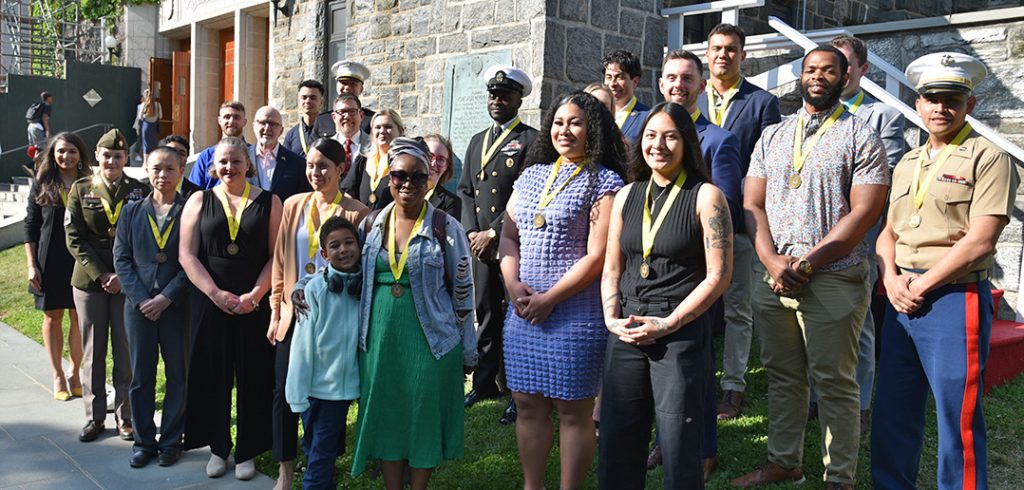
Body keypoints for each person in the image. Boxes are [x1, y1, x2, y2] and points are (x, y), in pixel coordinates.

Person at [732, 46, 890, 489]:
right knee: (784, 376)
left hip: (834, 276)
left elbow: (864, 214)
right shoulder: (774, 136)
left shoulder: (861, 136)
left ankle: (839, 476)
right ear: (801, 77)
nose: (818, 77)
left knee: (834, 380)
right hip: (773, 276)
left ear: (845, 78)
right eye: (810, 70)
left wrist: (805, 262)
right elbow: (752, 202)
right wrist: (769, 258)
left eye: (829, 71)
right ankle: (784, 460)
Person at [872, 52, 1016, 490]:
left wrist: (922, 284)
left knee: (959, 417)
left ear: (969, 104)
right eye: (932, 98)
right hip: (901, 297)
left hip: (954, 299)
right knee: (894, 409)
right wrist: (892, 279)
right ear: (917, 104)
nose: (941, 108)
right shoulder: (908, 163)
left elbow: (980, 241)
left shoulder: (989, 158)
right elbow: (887, 232)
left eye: (952, 99)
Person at [598, 102, 732, 489]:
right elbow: (612, 269)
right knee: (618, 441)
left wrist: (669, 323)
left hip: (679, 332)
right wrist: (611, 319)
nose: (659, 145)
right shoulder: (626, 196)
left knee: (678, 446)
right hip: (626, 328)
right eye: (652, 136)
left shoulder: (706, 196)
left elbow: (718, 276)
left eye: (670, 136)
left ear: (686, 142)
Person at [499, 91, 626, 490]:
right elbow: (508, 236)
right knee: (527, 404)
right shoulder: (531, 175)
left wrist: (550, 298)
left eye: (575, 122)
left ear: (594, 129)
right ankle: (531, 486)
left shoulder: (605, 182)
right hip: (523, 311)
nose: (564, 130)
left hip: (575, 312)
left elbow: (598, 255)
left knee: (573, 410)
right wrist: (512, 285)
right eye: (558, 122)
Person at [350, 137, 476, 490]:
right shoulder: (371, 224)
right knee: (388, 413)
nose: (407, 183)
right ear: (388, 177)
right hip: (379, 339)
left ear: (430, 180)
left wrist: (467, 349)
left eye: (418, 177)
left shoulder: (445, 228)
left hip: (430, 339)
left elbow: (464, 294)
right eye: (399, 175)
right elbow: (348, 273)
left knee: (421, 415)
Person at [806, 34, 907, 430]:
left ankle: (860, 404)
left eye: (844, 64)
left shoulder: (883, 117)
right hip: (808, 237)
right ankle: (816, 397)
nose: (837, 72)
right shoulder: (806, 116)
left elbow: (885, 178)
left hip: (856, 239)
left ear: (861, 71)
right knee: (813, 319)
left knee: (857, 323)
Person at [653, 48, 744, 480]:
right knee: (656, 365)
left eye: (688, 79)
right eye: (671, 77)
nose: (678, 85)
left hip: (694, 273)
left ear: (702, 86)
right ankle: (663, 441)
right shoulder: (647, 132)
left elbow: (722, 205)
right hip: (651, 272)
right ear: (660, 83)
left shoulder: (719, 141)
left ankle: (704, 449)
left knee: (699, 369)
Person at [179, 136, 282, 480]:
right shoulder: (199, 200)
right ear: (212, 166)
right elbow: (187, 254)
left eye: (236, 161)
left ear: (248, 164)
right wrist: (214, 293)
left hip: (253, 304)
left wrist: (254, 295)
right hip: (211, 303)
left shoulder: (270, 201)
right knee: (213, 375)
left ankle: (248, 450)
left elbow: (275, 256)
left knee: (254, 375)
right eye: (222, 162)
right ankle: (218, 448)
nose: (229, 168)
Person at [268, 137, 368, 489]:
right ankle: (285, 469)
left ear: (341, 169)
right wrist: (275, 308)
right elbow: (280, 261)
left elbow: (361, 267)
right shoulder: (294, 204)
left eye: (323, 166)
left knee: (327, 393)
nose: (315, 172)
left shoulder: (357, 212)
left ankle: (321, 462)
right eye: (310, 165)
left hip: (332, 314)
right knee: (285, 392)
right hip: (292, 315)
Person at [697, 23, 783, 420]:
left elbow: (768, 164)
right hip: (688, 219)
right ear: (707, 53)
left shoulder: (762, 103)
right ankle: (696, 376)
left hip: (737, 221)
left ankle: (732, 386)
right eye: (716, 48)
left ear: (742, 55)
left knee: (737, 307)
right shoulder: (692, 98)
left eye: (731, 49)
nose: (723, 55)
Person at [457, 66, 539, 426]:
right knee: (486, 310)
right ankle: (485, 382)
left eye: (505, 95)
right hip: (479, 245)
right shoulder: (477, 140)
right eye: (493, 95)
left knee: (515, 314)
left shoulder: (531, 140)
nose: (497, 101)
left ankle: (516, 389)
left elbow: (527, 194)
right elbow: (464, 190)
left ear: (520, 99)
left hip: (511, 241)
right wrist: (472, 231)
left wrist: (492, 231)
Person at [64, 128, 149, 443]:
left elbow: (144, 236)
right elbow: (74, 237)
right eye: (107, 155)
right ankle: (94, 417)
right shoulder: (81, 188)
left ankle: (126, 418)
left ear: (126, 158)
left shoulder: (140, 190)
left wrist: (121, 276)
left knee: (125, 352)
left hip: (127, 282)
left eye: (118, 155)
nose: (112, 160)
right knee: (93, 351)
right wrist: (102, 274)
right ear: (97, 156)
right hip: (90, 282)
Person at [113, 146, 190, 468]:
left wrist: (166, 297)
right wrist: (143, 299)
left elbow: (194, 261)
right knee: (141, 376)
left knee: (177, 375)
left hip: (176, 306)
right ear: (146, 169)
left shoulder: (191, 210)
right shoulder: (130, 211)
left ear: (180, 170)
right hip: (139, 307)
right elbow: (122, 258)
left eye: (170, 169)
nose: (163, 175)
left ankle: (171, 441)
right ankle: (144, 441)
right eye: (157, 168)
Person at [286, 216, 362, 489]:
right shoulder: (316, 289)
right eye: (335, 245)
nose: (343, 250)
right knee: (314, 447)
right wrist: (296, 392)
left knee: (321, 452)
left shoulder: (365, 287)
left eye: (349, 242)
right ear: (324, 254)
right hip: (311, 387)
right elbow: (302, 346)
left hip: (338, 391)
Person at [24, 132, 92, 402]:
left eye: (72, 151)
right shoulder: (42, 182)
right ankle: (57, 375)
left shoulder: (90, 183)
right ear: (53, 153)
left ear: (81, 154)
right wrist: (31, 265)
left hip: (81, 260)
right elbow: (30, 227)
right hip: (48, 260)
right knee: (52, 317)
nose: (67, 156)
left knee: (79, 317)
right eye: (61, 151)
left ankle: (75, 372)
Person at [340, 109, 404, 211]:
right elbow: (349, 196)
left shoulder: (404, 164)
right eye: (377, 127)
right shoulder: (363, 161)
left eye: (388, 127)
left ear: (400, 131)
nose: (382, 131)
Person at [247, 105, 312, 201]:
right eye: (262, 123)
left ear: (281, 130)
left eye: (272, 124)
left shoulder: (297, 163)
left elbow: (303, 200)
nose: (267, 128)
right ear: (254, 126)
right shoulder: (242, 158)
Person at [187, 100, 248, 189]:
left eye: (236, 117)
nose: (231, 121)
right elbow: (194, 191)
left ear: (244, 122)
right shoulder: (206, 156)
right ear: (219, 120)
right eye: (227, 117)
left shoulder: (253, 154)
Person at [313, 60, 375, 137]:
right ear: (337, 86)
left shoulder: (372, 120)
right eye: (343, 83)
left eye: (353, 84)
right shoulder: (322, 120)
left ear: (361, 89)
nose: (347, 88)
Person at [603, 50, 649, 146]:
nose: (612, 84)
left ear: (635, 82)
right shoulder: (598, 112)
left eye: (620, 77)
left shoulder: (647, 117)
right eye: (608, 77)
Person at [422, 134, 462, 219]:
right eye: (429, 156)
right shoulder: (398, 191)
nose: (433, 164)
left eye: (441, 159)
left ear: (447, 166)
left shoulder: (451, 203)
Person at [283, 80, 325, 157]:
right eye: (304, 97)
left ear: (321, 102)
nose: (308, 101)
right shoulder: (291, 135)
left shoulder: (329, 130)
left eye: (313, 98)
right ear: (299, 101)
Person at [331, 94, 368, 168]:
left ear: (361, 116)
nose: (347, 116)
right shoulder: (327, 147)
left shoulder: (374, 145)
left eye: (352, 111)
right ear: (334, 117)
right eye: (342, 111)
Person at [137, 89, 163, 159]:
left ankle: (145, 163)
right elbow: (160, 116)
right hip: (154, 127)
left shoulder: (143, 105)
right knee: (154, 145)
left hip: (146, 126)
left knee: (146, 145)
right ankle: (154, 161)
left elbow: (140, 117)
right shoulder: (158, 105)